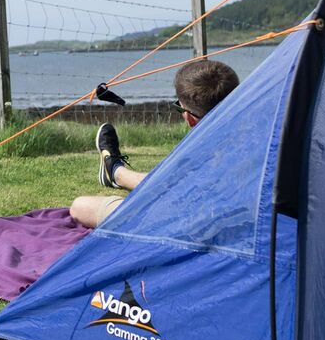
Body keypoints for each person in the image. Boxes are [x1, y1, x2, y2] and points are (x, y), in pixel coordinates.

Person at [69, 60, 240, 228]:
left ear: (189, 118)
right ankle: (115, 172)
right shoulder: (253, 135)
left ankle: (116, 172)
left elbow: (174, 197)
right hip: (236, 211)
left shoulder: (198, 155)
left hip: (187, 222)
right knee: (168, 180)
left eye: (179, 108)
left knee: (80, 206)